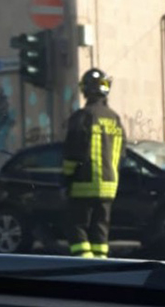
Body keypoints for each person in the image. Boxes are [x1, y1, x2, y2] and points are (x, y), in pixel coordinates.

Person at [63, 68, 127, 258]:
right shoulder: (115, 119)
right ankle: (101, 266)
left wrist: (66, 179)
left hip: (83, 185)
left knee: (76, 227)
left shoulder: (82, 117)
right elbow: (122, 154)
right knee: (101, 231)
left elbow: (72, 153)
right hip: (109, 187)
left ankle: (84, 266)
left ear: (85, 89)